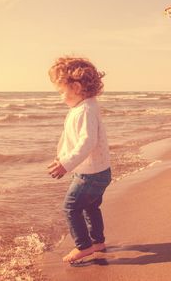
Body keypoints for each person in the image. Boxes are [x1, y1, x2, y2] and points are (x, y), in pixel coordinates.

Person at [47, 57, 111, 263]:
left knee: (70, 207)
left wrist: (66, 164)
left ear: (75, 87)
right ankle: (98, 241)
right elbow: (70, 137)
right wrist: (62, 155)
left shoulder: (85, 110)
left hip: (90, 175)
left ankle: (83, 246)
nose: (60, 97)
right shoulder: (82, 107)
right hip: (98, 172)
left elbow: (87, 142)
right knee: (90, 207)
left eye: (61, 91)